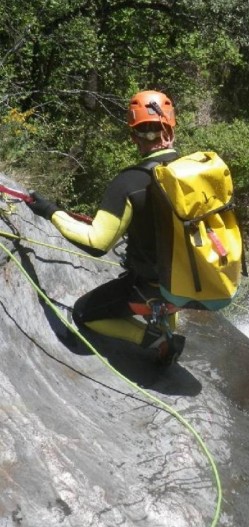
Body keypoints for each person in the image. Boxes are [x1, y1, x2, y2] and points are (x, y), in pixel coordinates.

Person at [26, 90, 186, 368]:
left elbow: (97, 243)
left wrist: (51, 212)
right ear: (172, 127)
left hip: (148, 287)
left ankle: (156, 340)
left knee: (84, 313)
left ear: (133, 135)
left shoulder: (130, 182)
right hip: (188, 287)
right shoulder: (191, 174)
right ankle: (167, 324)